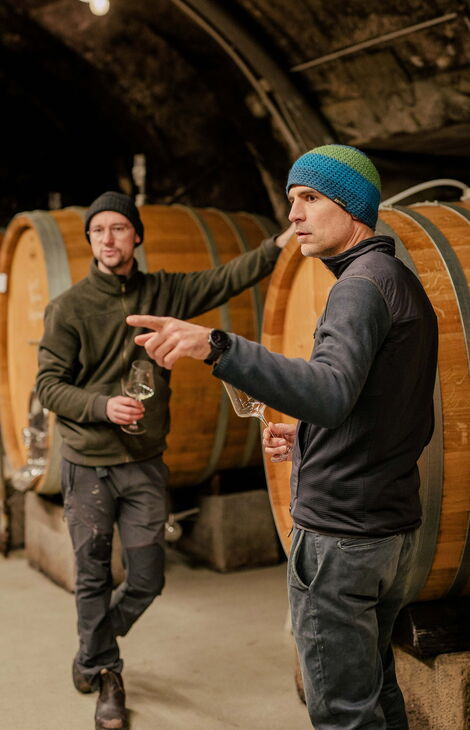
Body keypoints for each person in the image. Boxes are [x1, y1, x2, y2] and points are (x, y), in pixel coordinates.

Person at [127, 145, 439, 730]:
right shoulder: (397, 281)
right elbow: (391, 409)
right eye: (292, 199)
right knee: (376, 693)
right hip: (388, 527)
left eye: (310, 198)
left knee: (343, 714)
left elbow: (329, 392)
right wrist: (310, 438)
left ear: (352, 208)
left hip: (342, 535)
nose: (293, 214)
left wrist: (218, 346)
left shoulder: (358, 288)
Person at [35, 190, 292, 730]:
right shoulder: (69, 308)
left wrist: (279, 243)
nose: (108, 238)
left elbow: (226, 278)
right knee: (92, 575)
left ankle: (92, 646)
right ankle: (107, 674)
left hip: (144, 461)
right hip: (88, 463)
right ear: (89, 240)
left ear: (136, 236)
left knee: (149, 578)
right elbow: (49, 386)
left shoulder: (162, 292)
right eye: (98, 230)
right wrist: (102, 406)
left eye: (118, 228)